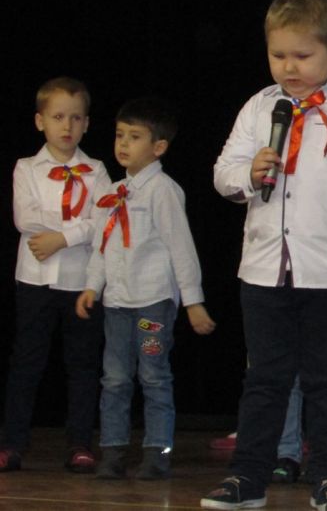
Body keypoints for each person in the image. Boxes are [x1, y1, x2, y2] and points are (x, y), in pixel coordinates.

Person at [202, 0, 327, 510]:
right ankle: (248, 478)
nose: (289, 67)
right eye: (278, 55)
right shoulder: (259, 106)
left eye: (302, 55)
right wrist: (249, 172)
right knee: (264, 379)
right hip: (265, 269)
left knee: (326, 379)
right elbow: (222, 173)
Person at [76, 97, 215, 479]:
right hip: (118, 303)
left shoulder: (163, 191)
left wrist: (193, 301)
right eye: (120, 135)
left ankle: (158, 453)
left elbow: (181, 248)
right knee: (115, 378)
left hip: (152, 302)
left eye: (134, 137)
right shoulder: (114, 191)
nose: (123, 143)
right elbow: (103, 245)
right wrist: (92, 286)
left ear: (158, 147)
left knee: (153, 375)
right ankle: (113, 451)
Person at [0, 77, 110, 474]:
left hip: (82, 283)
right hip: (35, 280)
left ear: (86, 124)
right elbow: (25, 218)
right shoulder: (26, 168)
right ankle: (12, 444)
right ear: (39, 121)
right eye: (58, 117)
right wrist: (78, 226)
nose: (67, 126)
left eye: (76, 118)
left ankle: (80, 443)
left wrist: (63, 237)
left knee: (82, 365)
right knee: (27, 363)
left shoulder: (97, 170)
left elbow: (102, 220)